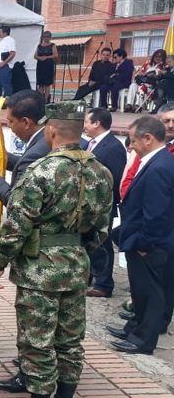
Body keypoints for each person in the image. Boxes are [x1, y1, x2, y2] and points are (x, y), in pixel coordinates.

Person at [0, 101, 113, 398]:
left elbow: (18, 224)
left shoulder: (41, 171)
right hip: (76, 268)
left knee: (37, 342)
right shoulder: (101, 172)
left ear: (52, 129)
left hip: (38, 273)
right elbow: (102, 227)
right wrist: (75, 252)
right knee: (70, 340)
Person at [107, 116, 174, 355]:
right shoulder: (155, 160)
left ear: (148, 138)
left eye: (134, 140)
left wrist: (145, 243)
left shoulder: (160, 166)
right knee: (139, 289)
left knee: (151, 293)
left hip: (149, 243)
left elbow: (156, 212)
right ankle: (134, 327)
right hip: (140, 238)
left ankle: (143, 340)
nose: (131, 145)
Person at [0, 90, 50, 206]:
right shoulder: (46, 138)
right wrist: (0, 155)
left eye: (11, 121)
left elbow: (14, 203)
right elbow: (23, 164)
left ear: (26, 122)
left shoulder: (35, 153)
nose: (8, 125)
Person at [81, 108, 126, 299]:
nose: (84, 125)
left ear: (96, 123)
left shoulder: (113, 147)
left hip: (103, 207)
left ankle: (105, 283)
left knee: (102, 244)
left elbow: (115, 180)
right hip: (87, 206)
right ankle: (91, 275)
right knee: (88, 242)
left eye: (87, 122)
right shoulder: (90, 144)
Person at [0, 26, 17, 98]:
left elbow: (12, 53)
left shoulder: (10, 40)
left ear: (5, 33)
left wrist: (4, 62)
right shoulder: (2, 41)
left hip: (4, 66)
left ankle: (8, 102)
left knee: (6, 84)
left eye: (0, 32)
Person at [35, 31, 58, 103]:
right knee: (40, 84)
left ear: (50, 37)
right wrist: (40, 58)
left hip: (48, 65)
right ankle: (41, 98)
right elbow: (35, 56)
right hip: (40, 65)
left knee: (47, 84)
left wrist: (47, 57)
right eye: (44, 37)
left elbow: (56, 55)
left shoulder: (52, 45)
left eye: (47, 37)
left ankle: (46, 99)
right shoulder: (39, 46)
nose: (46, 38)